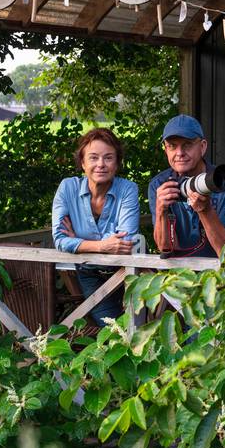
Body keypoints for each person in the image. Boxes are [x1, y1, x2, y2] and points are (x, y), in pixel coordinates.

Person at [51, 127, 141, 324]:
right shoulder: (68, 188)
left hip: (126, 273)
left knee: (138, 328)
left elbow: (124, 241)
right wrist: (103, 245)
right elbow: (59, 240)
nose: (101, 164)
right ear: (82, 163)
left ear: (117, 164)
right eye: (93, 158)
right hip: (89, 274)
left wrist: (78, 241)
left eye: (108, 158)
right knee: (112, 329)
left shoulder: (128, 189)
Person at [148, 115, 225, 258]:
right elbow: (165, 248)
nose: (179, 153)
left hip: (218, 275)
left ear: (202, 146)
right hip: (177, 276)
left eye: (187, 144)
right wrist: (161, 210)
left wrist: (205, 210)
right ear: (166, 150)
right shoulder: (159, 185)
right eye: (172, 146)